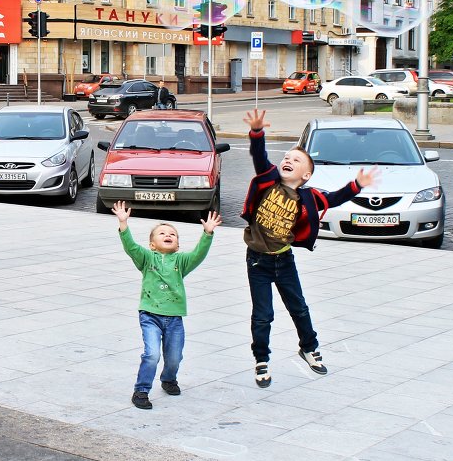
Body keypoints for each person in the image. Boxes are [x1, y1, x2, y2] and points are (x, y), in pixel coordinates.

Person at [241, 109, 378, 388]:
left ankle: (309, 347)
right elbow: (259, 156)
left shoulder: (308, 196)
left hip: (284, 261)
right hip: (257, 261)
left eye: (296, 160)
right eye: (287, 157)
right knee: (263, 314)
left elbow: (336, 198)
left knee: (299, 308)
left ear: (306, 175)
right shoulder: (268, 180)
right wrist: (257, 133)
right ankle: (261, 360)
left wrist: (356, 186)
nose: (288, 160)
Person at [113, 200, 220, 410]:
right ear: (152, 244)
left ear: (178, 244)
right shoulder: (146, 258)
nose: (167, 235)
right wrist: (123, 224)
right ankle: (141, 390)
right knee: (151, 354)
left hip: (174, 318)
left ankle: (168, 379)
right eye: (161, 233)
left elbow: (198, 255)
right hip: (150, 315)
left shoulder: (181, 262)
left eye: (172, 234)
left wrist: (207, 234)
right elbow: (131, 247)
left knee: (174, 357)